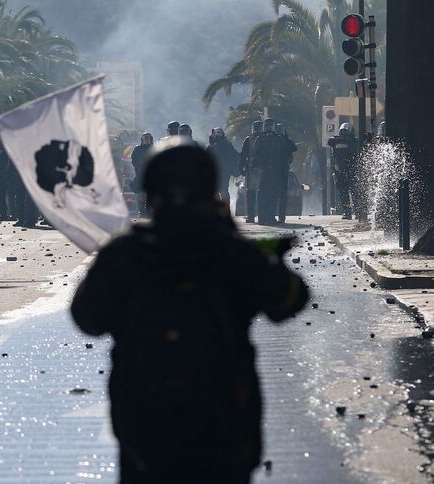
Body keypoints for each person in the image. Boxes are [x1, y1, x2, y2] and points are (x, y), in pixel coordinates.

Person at [71, 139, 309, 483]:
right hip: (225, 434)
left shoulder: (124, 255)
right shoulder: (231, 253)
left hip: (144, 435)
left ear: (148, 196)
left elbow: (86, 318)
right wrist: (237, 239)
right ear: (212, 195)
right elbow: (290, 300)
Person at [250, 118, 282, 225]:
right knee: (269, 195)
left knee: (266, 195)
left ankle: (264, 218)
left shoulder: (264, 139)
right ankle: (267, 217)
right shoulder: (275, 139)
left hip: (267, 171)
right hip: (268, 171)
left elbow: (254, 155)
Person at [327, 123, 358, 220]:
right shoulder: (335, 140)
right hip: (340, 170)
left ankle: (357, 212)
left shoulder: (354, 141)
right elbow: (330, 141)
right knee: (344, 193)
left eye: (346, 131)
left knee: (354, 192)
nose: (344, 133)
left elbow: (356, 146)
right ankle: (347, 213)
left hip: (352, 170)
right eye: (342, 131)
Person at [207, 127, 240, 203]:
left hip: (216, 172)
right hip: (225, 172)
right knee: (224, 190)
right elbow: (236, 156)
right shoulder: (228, 145)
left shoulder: (212, 147)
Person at [239, 121, 263, 223]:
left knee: (251, 194)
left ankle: (251, 216)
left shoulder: (248, 140)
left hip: (252, 170)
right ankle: (263, 216)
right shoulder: (266, 139)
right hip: (263, 170)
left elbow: (243, 156)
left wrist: (241, 169)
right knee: (263, 194)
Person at [274, 123, 298, 224]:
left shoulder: (285, 141)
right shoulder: (271, 140)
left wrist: (285, 139)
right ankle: (273, 216)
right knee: (274, 195)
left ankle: (281, 216)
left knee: (282, 195)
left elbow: (294, 147)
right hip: (273, 171)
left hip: (282, 171)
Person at [131, 132, 154, 217]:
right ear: (142, 140)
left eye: (149, 138)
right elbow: (134, 160)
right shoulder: (137, 149)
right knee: (141, 194)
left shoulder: (154, 148)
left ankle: (150, 212)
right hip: (140, 175)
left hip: (152, 176)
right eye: (145, 138)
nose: (147, 139)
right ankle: (141, 212)